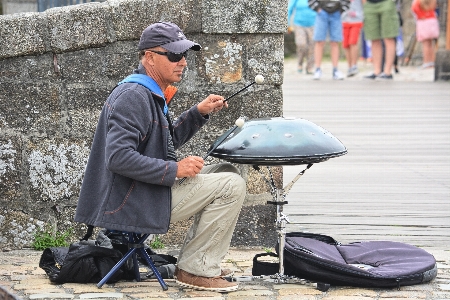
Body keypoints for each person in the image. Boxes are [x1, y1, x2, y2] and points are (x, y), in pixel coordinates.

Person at [74, 22, 246, 292]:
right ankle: (195, 269)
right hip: (130, 200)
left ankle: (198, 260)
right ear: (150, 57)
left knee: (231, 172)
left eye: (184, 56)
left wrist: (197, 113)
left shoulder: (147, 92)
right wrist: (175, 169)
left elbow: (163, 142)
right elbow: (118, 158)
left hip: (141, 190)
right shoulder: (133, 96)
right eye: (175, 56)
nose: (183, 63)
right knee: (231, 186)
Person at [308, 0, 350, 80]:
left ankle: (335, 70)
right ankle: (317, 69)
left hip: (336, 12)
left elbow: (347, 2)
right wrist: (317, 9)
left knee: (335, 42)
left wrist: (341, 10)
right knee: (319, 41)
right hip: (321, 12)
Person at [362, 0, 399, 80]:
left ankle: (387, 72)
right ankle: (376, 71)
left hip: (386, 3)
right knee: (374, 38)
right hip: (370, 4)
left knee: (389, 38)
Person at [288, 0, 317, 74]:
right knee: (301, 44)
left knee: (312, 45)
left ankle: (310, 66)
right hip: (299, 24)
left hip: (313, 24)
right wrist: (288, 24)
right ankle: (300, 63)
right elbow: (290, 9)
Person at [411, 0, 439, 68]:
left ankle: (426, 62)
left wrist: (421, 15)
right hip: (432, 20)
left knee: (425, 44)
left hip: (423, 21)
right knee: (431, 44)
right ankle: (432, 62)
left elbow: (414, 8)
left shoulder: (418, 1)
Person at [341, 0, 364, 77]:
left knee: (353, 42)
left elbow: (364, 3)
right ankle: (350, 66)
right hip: (344, 19)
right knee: (346, 44)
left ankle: (354, 65)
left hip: (356, 20)